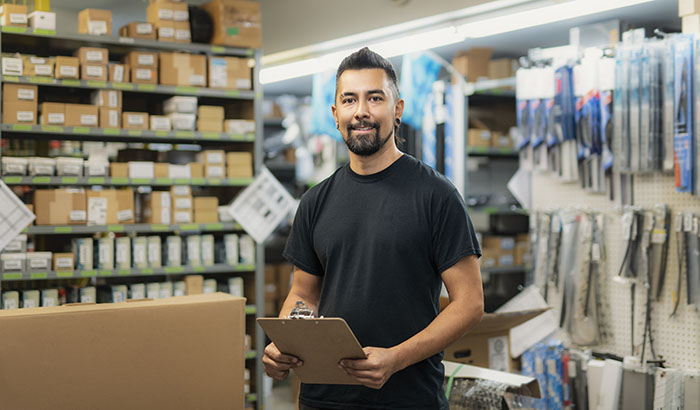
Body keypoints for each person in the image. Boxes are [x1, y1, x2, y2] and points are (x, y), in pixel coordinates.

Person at [262, 47, 484, 410]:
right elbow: (304, 295)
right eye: (349, 100)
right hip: (323, 399)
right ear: (335, 115)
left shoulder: (436, 196)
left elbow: (470, 303)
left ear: (397, 110)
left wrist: (395, 358)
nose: (361, 111)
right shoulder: (315, 201)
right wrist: (288, 342)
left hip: (407, 398)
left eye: (374, 98)